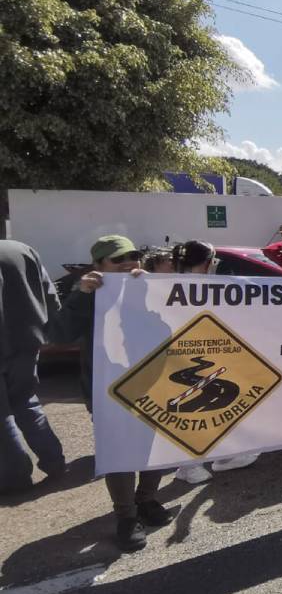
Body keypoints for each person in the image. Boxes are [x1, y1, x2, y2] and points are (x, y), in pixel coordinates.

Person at [55, 235, 171, 552]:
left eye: (132, 256)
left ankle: (146, 499)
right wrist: (82, 294)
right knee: (119, 456)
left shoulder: (148, 287)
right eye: (118, 259)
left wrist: (154, 291)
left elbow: (171, 328)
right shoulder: (88, 294)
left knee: (152, 449)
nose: (128, 263)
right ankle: (126, 517)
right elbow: (59, 333)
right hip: (108, 391)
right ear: (99, 266)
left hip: (151, 385)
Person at [171, 241, 260, 484]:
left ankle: (222, 456)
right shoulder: (192, 286)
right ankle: (189, 465)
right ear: (209, 261)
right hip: (193, 357)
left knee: (215, 406)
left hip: (206, 354)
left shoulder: (172, 285)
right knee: (197, 409)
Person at [0, 240, 66, 494]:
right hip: (27, 341)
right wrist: (52, 330)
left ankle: (16, 477)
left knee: (3, 416)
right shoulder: (21, 249)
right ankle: (55, 462)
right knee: (27, 402)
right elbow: (50, 294)